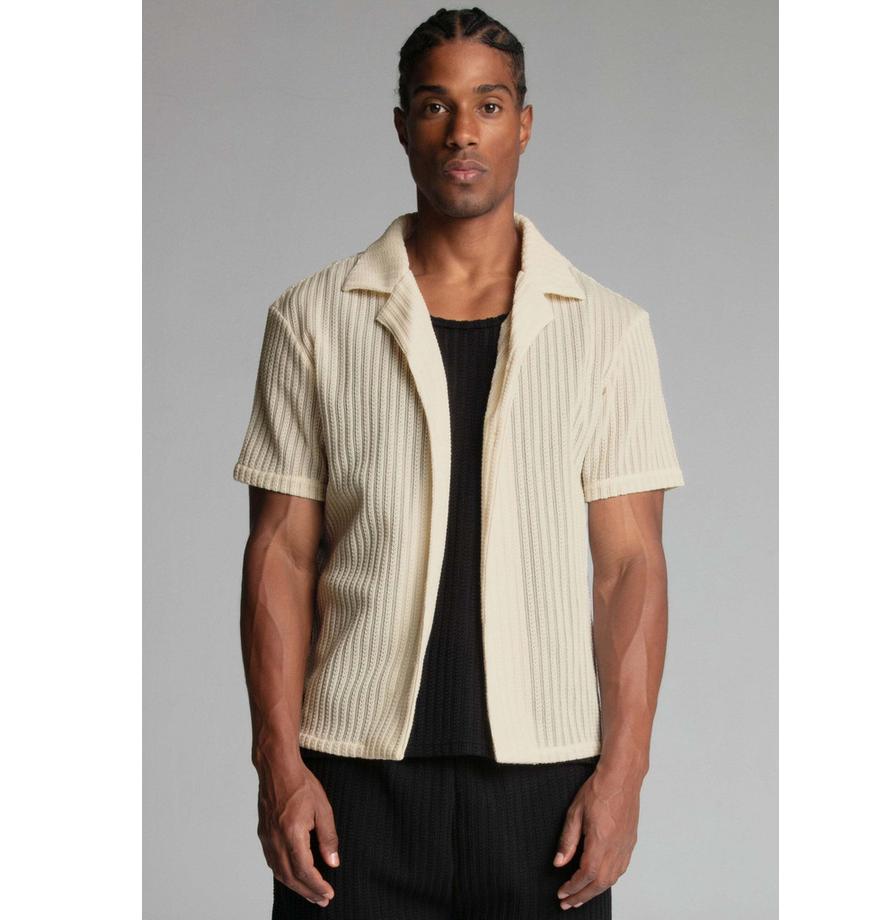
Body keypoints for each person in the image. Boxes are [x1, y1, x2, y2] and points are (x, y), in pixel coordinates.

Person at [232, 7, 685, 918]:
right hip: (351, 785)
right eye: (436, 106)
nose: (462, 132)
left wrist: (624, 775)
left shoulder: (607, 329)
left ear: (525, 123)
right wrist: (279, 766)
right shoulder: (314, 319)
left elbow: (630, 567)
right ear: (403, 125)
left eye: (489, 104)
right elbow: (280, 554)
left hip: (548, 793)